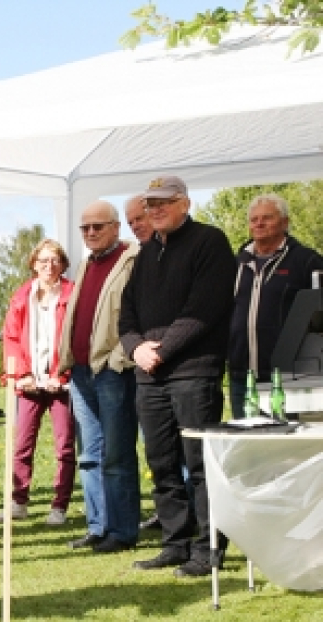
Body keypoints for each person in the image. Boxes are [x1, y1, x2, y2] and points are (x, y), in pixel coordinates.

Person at [120, 176, 236, 577]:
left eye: (163, 203)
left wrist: (161, 351)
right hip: (150, 375)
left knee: (200, 464)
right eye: (150, 204)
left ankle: (209, 548)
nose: (155, 210)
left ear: (184, 204)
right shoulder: (146, 252)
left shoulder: (210, 242)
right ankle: (175, 543)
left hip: (193, 371)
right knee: (162, 462)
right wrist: (135, 347)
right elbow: (127, 311)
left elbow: (204, 309)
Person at [59, 201, 142, 554]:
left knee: (117, 453)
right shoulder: (86, 264)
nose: (91, 233)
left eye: (98, 226)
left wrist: (119, 358)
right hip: (80, 370)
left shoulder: (131, 261)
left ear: (115, 227)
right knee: (89, 454)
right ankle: (98, 525)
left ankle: (122, 530)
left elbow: (135, 313)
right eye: (85, 228)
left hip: (111, 369)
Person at [0, 239, 75, 526]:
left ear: (62, 264)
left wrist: (62, 374)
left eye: (54, 260)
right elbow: (12, 338)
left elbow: (76, 339)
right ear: (34, 264)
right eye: (43, 260)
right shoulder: (21, 297)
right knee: (22, 444)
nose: (48, 266)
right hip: (29, 382)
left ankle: (60, 506)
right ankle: (18, 501)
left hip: (60, 384)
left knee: (64, 446)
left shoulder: (71, 294)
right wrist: (22, 374)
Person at [228, 193, 323, 418]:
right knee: (247, 446)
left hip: (287, 376)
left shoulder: (306, 261)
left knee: (285, 447)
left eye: (267, 218)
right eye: (254, 219)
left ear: (285, 222)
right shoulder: (238, 263)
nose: (259, 224)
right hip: (242, 375)